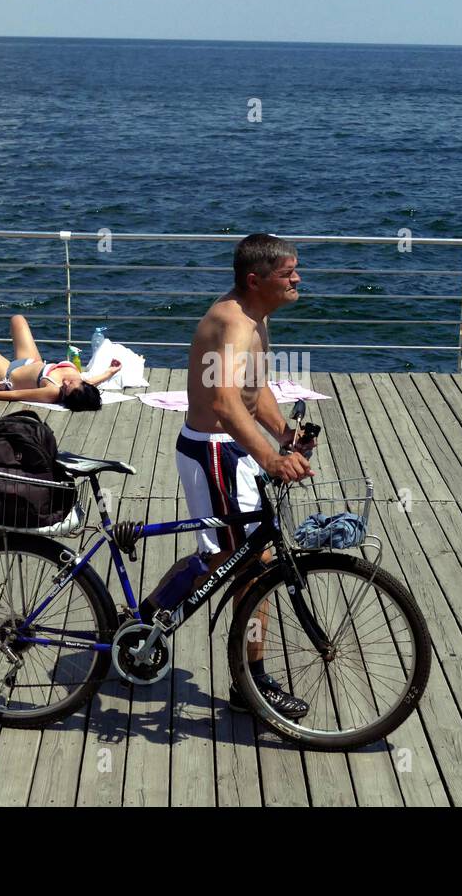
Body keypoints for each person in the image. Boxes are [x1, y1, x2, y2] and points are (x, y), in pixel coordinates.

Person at [145, 233, 315, 719]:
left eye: (296, 270)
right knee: (254, 565)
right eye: (288, 274)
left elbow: (250, 391)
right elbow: (222, 401)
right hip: (214, 452)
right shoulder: (236, 324)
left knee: (225, 554)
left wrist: (283, 434)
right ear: (255, 279)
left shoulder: (253, 316)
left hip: (228, 449)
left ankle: (144, 620)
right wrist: (271, 459)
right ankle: (251, 682)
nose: (297, 279)